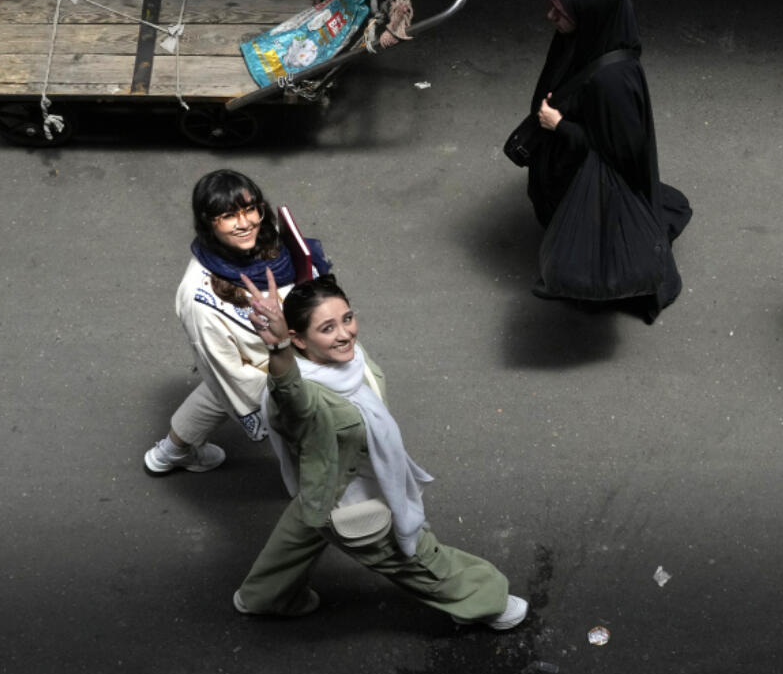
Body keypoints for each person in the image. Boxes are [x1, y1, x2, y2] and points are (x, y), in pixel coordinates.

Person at [231, 270, 528, 629]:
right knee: (413, 555)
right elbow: (290, 394)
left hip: (326, 479)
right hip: (349, 499)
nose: (345, 334)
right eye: (327, 329)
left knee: (307, 519)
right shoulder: (300, 396)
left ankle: (264, 595)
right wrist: (277, 348)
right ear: (298, 340)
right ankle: (484, 600)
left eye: (347, 318)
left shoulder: (346, 362)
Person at [525, 0, 692, 322]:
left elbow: (622, 153)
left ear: (590, 15)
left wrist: (559, 125)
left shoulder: (611, 80)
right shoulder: (586, 40)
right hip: (572, 166)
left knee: (586, 255)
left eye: (561, 11)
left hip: (594, 179)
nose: (550, 14)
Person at [143, 169, 331, 475]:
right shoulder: (197, 296)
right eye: (229, 215)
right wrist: (292, 399)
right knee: (313, 429)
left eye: (250, 209)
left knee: (215, 393)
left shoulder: (265, 236)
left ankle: (171, 452)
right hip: (270, 369)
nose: (245, 224)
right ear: (207, 222)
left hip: (284, 350)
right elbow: (229, 371)